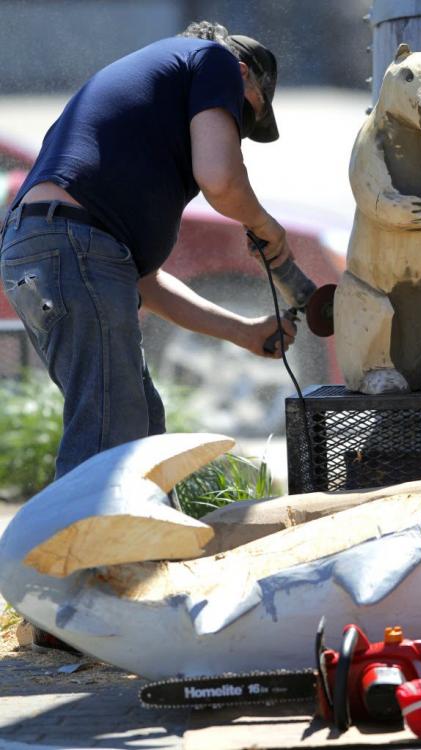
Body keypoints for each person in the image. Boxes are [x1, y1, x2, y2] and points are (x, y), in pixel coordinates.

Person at [0, 20, 296, 652]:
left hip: (52, 249)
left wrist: (242, 331)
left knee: (134, 424)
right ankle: (67, 613)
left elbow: (143, 283)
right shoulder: (215, 60)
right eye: (242, 120)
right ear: (245, 79)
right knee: (109, 433)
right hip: (70, 246)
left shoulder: (144, 111)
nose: (237, 134)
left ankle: (115, 587)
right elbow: (221, 178)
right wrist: (267, 227)